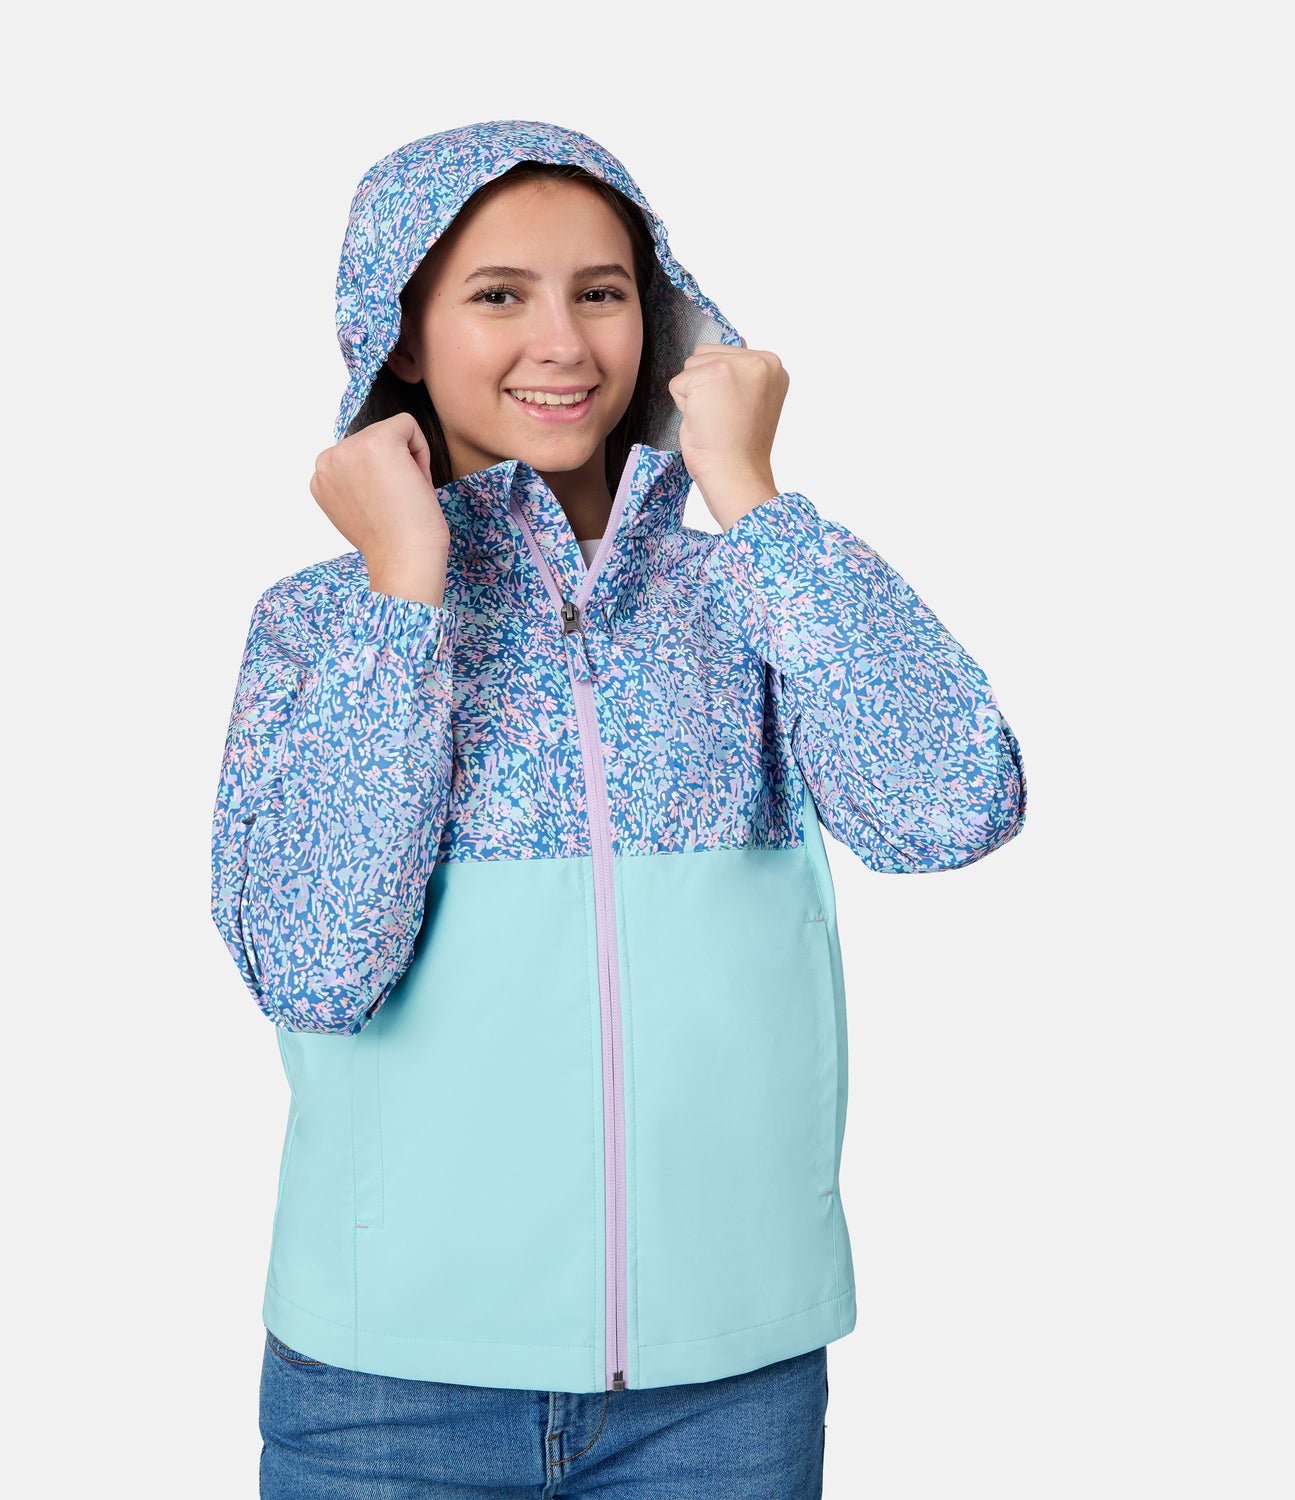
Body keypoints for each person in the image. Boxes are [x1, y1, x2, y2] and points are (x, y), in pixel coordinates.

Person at [209, 118, 1028, 1499]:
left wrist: (750, 496)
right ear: (400, 337)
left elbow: (950, 805)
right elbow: (312, 963)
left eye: (602, 291)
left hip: (723, 1387)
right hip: (385, 1388)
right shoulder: (324, 626)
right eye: (498, 294)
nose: (565, 342)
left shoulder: (750, 590)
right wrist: (405, 589)